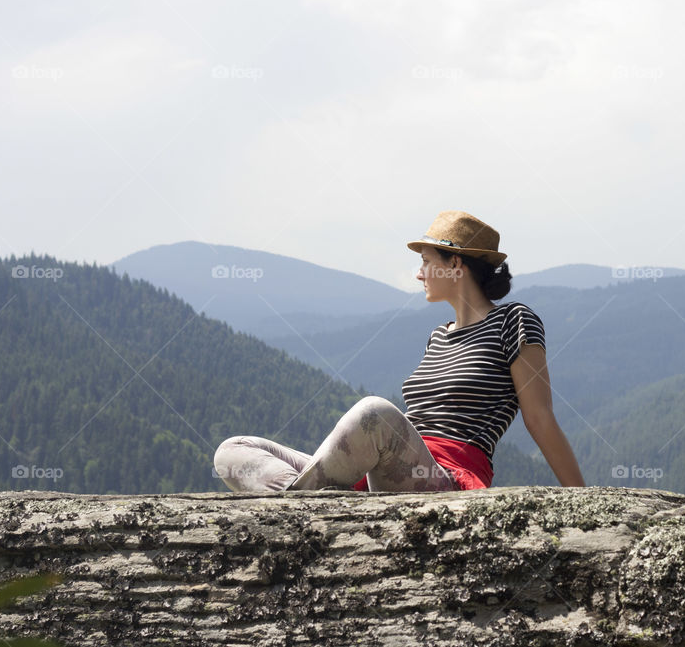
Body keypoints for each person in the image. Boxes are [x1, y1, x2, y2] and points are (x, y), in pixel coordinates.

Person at [212, 210, 585, 492]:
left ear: (455, 264)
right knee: (233, 451)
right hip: (385, 472)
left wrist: (582, 499)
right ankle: (310, 503)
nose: (419, 273)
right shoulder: (438, 336)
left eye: (426, 261)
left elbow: (540, 418)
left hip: (444, 481)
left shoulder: (514, 320)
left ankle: (303, 504)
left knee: (375, 413)